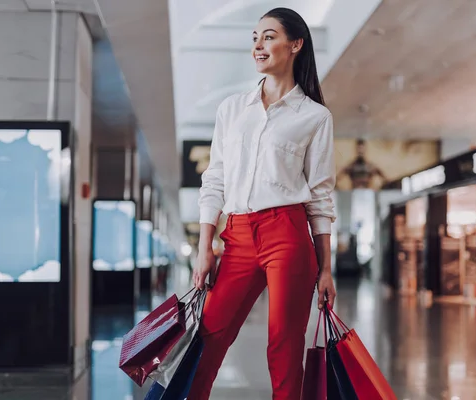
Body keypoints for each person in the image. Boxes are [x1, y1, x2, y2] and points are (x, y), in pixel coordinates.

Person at [189, 7, 337, 400]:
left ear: (296, 45)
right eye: (255, 37)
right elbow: (215, 179)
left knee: (284, 346)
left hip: (287, 233)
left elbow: (320, 198)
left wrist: (326, 269)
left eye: (269, 36)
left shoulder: (315, 117)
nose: (258, 44)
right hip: (236, 234)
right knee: (209, 335)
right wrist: (205, 248)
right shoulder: (231, 110)